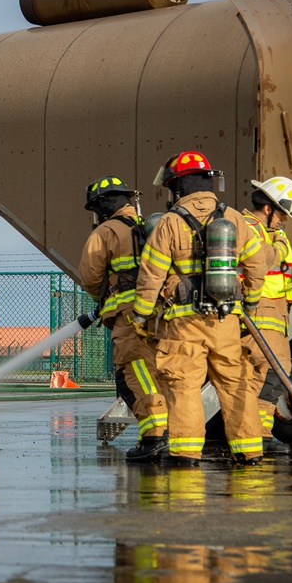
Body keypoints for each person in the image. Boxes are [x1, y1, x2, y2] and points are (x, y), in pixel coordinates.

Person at [132, 150, 268, 465]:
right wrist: (249, 302)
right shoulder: (233, 217)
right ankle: (249, 451)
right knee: (235, 382)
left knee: (183, 385)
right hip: (226, 319)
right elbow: (258, 265)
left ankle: (186, 454)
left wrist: (141, 317)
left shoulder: (168, 223)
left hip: (183, 323)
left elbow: (151, 276)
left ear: (177, 187)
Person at [77, 175, 168, 461]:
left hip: (127, 319)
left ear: (103, 205)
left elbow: (90, 277)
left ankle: (154, 437)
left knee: (134, 375)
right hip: (159, 314)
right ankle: (166, 433)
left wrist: (105, 300)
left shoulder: (106, 232)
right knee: (157, 372)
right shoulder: (150, 228)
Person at [240, 176, 292, 455]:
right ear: (268, 209)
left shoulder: (271, 232)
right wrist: (278, 245)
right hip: (259, 311)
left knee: (262, 375)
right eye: (282, 214)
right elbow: (263, 260)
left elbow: (279, 273)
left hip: (275, 312)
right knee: (272, 372)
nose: (284, 222)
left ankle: (256, 434)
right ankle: (260, 434)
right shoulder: (248, 228)